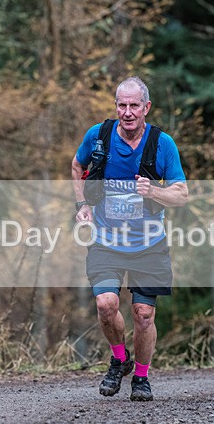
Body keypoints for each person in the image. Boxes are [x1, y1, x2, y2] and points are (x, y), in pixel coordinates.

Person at [71, 76, 188, 401]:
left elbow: (182, 194)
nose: (127, 112)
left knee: (143, 315)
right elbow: (77, 165)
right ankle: (119, 359)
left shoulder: (162, 144)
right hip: (106, 241)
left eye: (134, 105)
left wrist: (154, 190)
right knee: (106, 305)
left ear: (146, 107)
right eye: (122, 105)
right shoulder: (99, 137)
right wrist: (82, 206)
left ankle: (141, 377)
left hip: (149, 245)